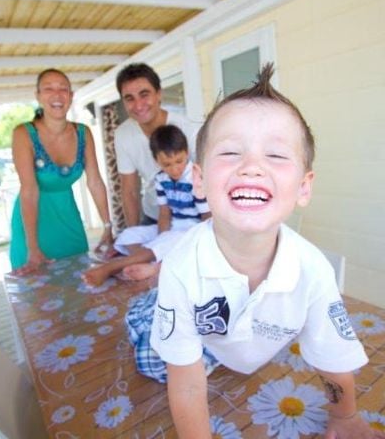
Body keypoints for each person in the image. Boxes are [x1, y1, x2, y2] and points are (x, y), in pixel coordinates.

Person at [143, 64, 382, 438]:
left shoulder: (313, 271)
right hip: (203, 342)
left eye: (276, 155)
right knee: (151, 352)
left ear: (303, 188)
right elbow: (186, 381)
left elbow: (332, 355)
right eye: (231, 151)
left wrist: (345, 416)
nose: (252, 167)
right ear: (199, 180)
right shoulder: (179, 267)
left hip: (248, 346)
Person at [9, 68, 113, 274]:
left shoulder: (83, 132)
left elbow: (95, 181)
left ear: (71, 96)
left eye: (63, 89)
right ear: (38, 96)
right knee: (36, 289)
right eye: (48, 89)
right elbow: (29, 190)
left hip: (69, 220)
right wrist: (32, 247)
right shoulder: (23, 134)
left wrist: (108, 226)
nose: (57, 95)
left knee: (79, 281)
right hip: (32, 225)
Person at [82, 124, 210, 287]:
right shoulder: (160, 179)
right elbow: (164, 213)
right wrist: (161, 237)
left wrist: (202, 240)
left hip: (191, 230)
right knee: (128, 234)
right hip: (172, 227)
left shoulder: (196, 176)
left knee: (168, 242)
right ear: (157, 161)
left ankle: (113, 267)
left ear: (187, 153)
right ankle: (147, 258)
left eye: (179, 161)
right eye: (167, 164)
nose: (174, 169)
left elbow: (207, 217)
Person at [114, 63, 199, 227]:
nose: (138, 105)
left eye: (144, 94)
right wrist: (133, 232)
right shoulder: (123, 134)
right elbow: (130, 191)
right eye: (129, 98)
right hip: (153, 216)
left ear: (159, 94)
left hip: (192, 217)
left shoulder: (188, 129)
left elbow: (207, 181)